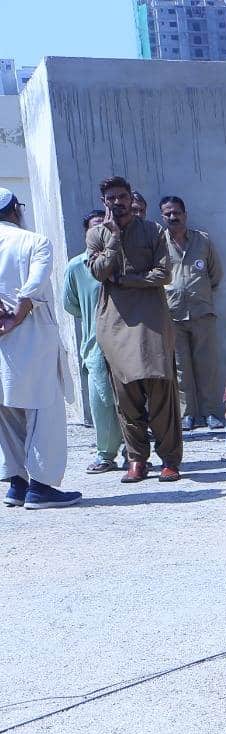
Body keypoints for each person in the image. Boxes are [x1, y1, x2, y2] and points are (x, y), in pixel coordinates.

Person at [86, 175, 182, 483]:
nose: (117, 202)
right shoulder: (96, 235)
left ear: (131, 198)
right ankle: (137, 459)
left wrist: (126, 280)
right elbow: (99, 272)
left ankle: (169, 459)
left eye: (122, 197)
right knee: (126, 396)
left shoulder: (153, 230)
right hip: (116, 323)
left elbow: (164, 274)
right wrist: (113, 238)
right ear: (104, 202)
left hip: (152, 321)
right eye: (111, 198)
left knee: (160, 391)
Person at [0, 187, 80, 509]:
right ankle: (41, 487)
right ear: (15, 210)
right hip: (31, 335)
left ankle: (17, 484)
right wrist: (18, 313)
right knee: (43, 413)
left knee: (6, 414)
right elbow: (36, 282)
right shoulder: (35, 242)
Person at [62, 209, 123, 474]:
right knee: (101, 400)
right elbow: (71, 304)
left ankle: (134, 452)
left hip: (125, 340)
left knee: (130, 398)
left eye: (104, 227)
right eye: (94, 227)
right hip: (94, 341)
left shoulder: (122, 260)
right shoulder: (77, 266)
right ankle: (105, 454)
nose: (99, 232)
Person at [159, 195, 226, 431]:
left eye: (176, 212)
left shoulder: (202, 241)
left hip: (202, 313)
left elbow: (215, 274)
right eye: (168, 213)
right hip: (172, 314)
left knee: (206, 366)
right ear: (162, 217)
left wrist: (201, 292)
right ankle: (187, 414)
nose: (173, 217)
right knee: (180, 368)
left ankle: (211, 413)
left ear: (185, 214)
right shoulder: (159, 243)